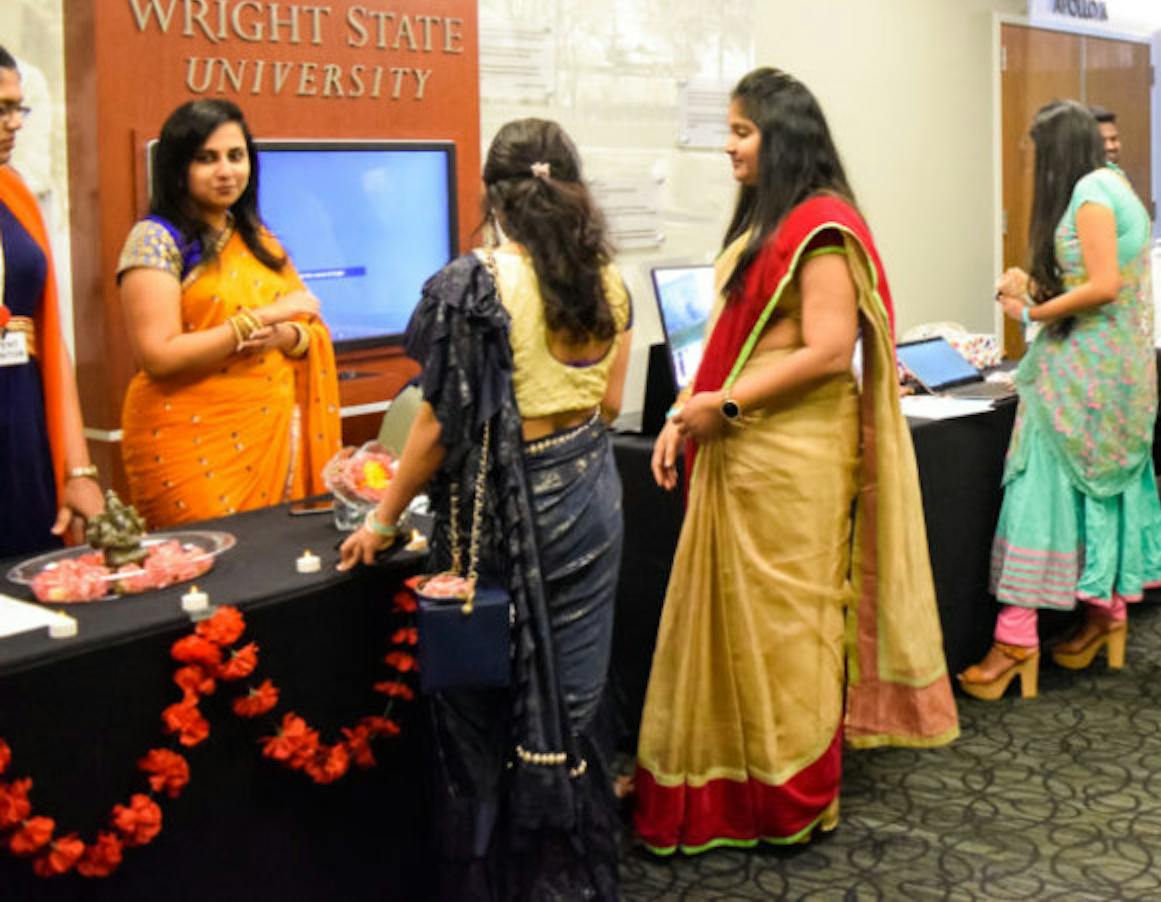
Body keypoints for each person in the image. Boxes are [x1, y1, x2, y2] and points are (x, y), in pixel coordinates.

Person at [636, 68, 956, 847]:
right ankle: (726, 787)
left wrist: (725, 407)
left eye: (742, 132)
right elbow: (733, 341)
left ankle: (791, 795)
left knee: (788, 630)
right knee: (733, 625)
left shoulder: (821, 228)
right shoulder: (769, 223)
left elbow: (828, 349)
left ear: (781, 139)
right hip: (742, 450)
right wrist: (685, 411)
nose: (729, 147)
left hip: (793, 459)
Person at [338, 118, 632, 897]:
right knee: (573, 699)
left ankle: (500, 879)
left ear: (492, 195)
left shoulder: (476, 284)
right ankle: (571, 876)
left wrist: (382, 519)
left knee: (488, 702)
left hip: (511, 510)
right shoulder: (609, 281)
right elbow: (610, 404)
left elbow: (437, 428)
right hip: (592, 497)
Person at [961, 100, 1161, 700]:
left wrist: (1031, 311)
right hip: (1116, 370)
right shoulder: (1115, 187)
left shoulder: (1091, 193)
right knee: (1099, 488)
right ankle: (1106, 615)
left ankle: (1015, 639)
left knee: (1038, 491)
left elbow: (1102, 286)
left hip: (1080, 373)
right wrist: (1036, 288)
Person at [116, 99, 339, 528]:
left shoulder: (258, 239)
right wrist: (259, 319)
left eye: (236, 156)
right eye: (206, 159)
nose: (226, 171)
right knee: (211, 563)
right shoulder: (155, 240)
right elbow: (158, 357)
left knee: (276, 558)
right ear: (177, 167)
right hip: (185, 440)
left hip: (270, 433)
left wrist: (285, 336)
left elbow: (306, 323)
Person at [0, 44, 101, 557]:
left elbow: (49, 333)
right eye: (1, 108)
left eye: (18, 107)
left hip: (21, 424)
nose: (15, 123)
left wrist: (78, 469)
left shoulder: (15, 194)